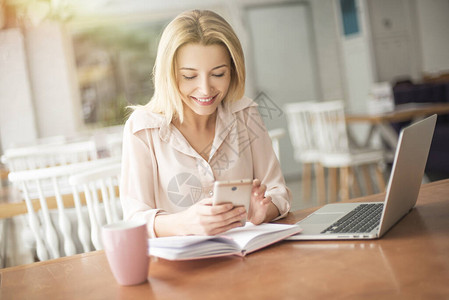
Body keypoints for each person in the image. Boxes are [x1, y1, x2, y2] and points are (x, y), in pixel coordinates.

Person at [120, 9, 291, 238]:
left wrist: (262, 212)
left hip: (248, 258)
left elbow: (278, 191)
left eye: (218, 74)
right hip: (181, 267)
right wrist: (183, 223)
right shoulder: (143, 129)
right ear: (169, 75)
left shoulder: (245, 114)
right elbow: (134, 218)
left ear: (233, 70)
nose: (205, 89)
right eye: (189, 76)